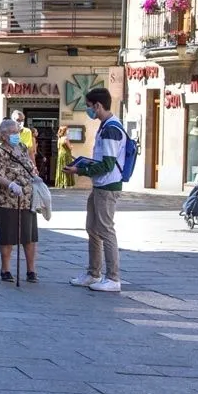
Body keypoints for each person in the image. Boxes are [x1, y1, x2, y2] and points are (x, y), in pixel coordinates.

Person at [64, 88, 125, 293]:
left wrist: (80, 170)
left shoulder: (111, 129)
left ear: (98, 105)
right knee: (92, 228)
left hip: (108, 186)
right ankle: (93, 273)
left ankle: (113, 278)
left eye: (89, 106)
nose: (88, 110)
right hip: (100, 185)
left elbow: (107, 164)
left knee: (106, 230)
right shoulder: (105, 126)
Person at [0, 119, 40, 283]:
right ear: (3, 135)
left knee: (29, 235)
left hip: (27, 198)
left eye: (17, 131)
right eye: (12, 132)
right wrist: (11, 184)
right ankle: (5, 269)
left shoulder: (23, 147)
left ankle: (31, 270)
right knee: (8, 234)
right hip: (6, 199)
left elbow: (30, 165)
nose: (16, 135)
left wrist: (35, 175)